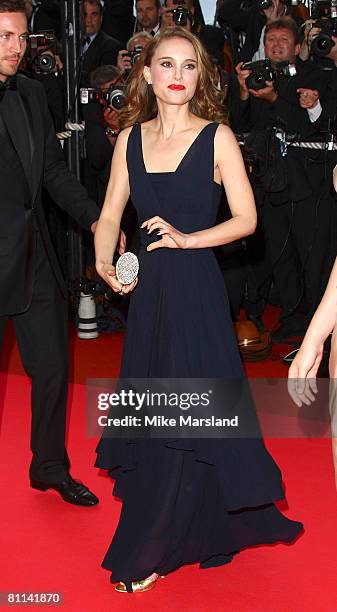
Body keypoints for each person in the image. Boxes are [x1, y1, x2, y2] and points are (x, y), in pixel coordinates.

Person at [94, 25, 303, 593]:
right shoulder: (131, 140)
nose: (178, 76)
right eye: (167, 65)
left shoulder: (218, 138)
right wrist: (103, 258)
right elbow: (111, 212)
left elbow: (247, 219)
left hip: (197, 292)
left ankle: (155, 543)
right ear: (147, 73)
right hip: (148, 296)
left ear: (201, 76)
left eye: (190, 66)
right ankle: (185, 524)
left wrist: (189, 239)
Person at [0, 0, 100, 506]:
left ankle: (49, 466)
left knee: (54, 366)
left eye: (20, 37)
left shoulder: (33, 93)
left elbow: (53, 173)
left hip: (35, 253)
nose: (15, 48)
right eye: (3, 37)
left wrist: (95, 217)